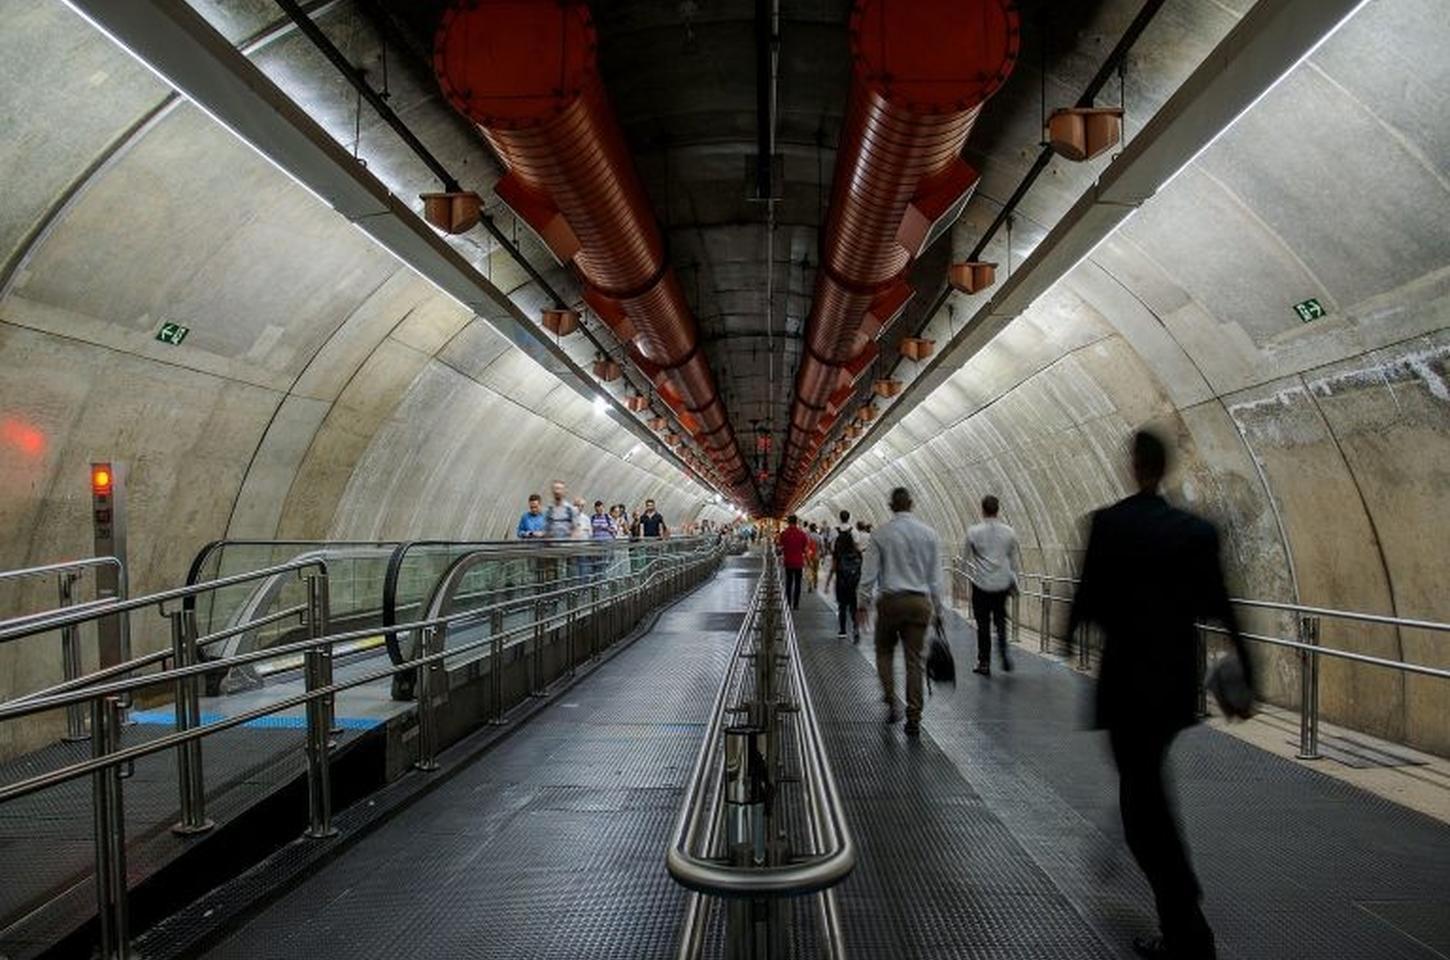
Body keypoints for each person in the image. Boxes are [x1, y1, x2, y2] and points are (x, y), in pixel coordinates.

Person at [1066, 429, 1254, 960]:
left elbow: (1089, 600)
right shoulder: (1195, 532)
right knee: (1144, 789)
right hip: (1174, 687)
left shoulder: (1108, 525)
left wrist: (1069, 633)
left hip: (1126, 684)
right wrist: (1248, 668)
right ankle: (1183, 920)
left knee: (1142, 806)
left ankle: (1187, 924)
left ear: (1134, 465)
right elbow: (1222, 604)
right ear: (1164, 467)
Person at [857, 487, 943, 737]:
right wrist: (938, 609)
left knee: (884, 651)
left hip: (890, 602)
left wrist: (863, 603)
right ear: (912, 504)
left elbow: (869, 573)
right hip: (919, 603)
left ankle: (891, 701)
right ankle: (914, 716)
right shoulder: (929, 534)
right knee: (914, 660)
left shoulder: (881, 534)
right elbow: (936, 577)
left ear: (891, 506)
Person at [965, 494, 1021, 676]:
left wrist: (960, 585)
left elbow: (965, 560)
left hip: (981, 585)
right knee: (1000, 620)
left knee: (983, 626)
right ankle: (1004, 652)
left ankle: (984, 663)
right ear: (998, 510)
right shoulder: (1010, 532)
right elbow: (1014, 563)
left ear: (982, 510)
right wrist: (1014, 583)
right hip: (1001, 585)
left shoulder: (973, 532)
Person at [826, 510, 863, 642]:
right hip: (852, 573)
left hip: (841, 573)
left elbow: (831, 549)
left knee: (842, 604)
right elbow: (858, 550)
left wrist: (828, 580)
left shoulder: (834, 532)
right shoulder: (854, 532)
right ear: (849, 518)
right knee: (853, 603)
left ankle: (842, 631)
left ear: (839, 518)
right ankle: (856, 627)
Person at [777, 515, 809, 610]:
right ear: (796, 522)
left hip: (788, 562)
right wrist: (807, 560)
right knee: (798, 583)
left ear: (788, 522)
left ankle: (788, 603)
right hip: (799, 562)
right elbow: (805, 549)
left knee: (789, 582)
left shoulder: (784, 534)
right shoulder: (802, 534)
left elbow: (780, 548)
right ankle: (796, 604)